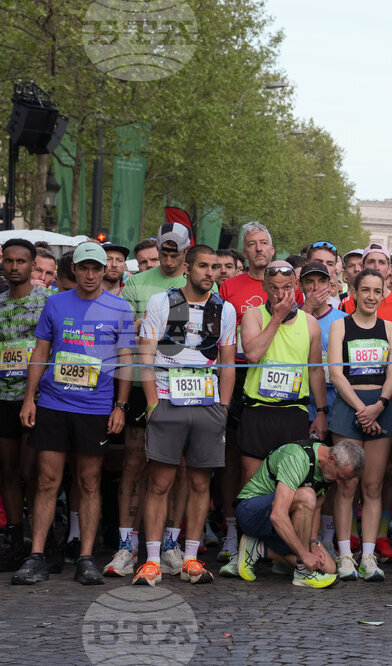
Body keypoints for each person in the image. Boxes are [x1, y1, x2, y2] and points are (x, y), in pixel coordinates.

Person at [12, 243, 134, 585]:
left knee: (89, 481)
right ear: (75, 271)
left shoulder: (119, 308)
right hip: (53, 403)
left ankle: (85, 558)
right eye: (85, 269)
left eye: (97, 268)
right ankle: (36, 555)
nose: (91, 275)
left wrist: (121, 405)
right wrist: (29, 399)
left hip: (95, 408)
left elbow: (127, 360)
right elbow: (41, 350)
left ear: (104, 270)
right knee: (47, 480)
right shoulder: (55, 302)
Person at [131, 245, 237, 587]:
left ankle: (190, 557)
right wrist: (150, 403)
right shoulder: (161, 302)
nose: (210, 272)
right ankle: (150, 560)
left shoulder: (226, 309)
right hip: (166, 400)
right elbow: (145, 357)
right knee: (160, 483)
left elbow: (228, 363)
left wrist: (223, 405)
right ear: (187, 269)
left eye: (216, 267)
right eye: (204, 266)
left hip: (207, 405)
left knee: (199, 483)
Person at [105, 220, 192, 578]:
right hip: (144, 387)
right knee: (134, 463)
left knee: (180, 469)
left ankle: (170, 542)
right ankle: (127, 543)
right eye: (164, 251)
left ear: (186, 250)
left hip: (184, 386)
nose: (168, 259)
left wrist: (151, 327)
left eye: (175, 252)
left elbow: (197, 338)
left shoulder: (198, 283)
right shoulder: (138, 282)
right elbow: (127, 336)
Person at [328, 268, 392, 582]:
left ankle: (368, 555)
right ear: (354, 292)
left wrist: (380, 405)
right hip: (350, 409)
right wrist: (362, 410)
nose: (371, 296)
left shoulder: (390, 328)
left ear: (383, 293)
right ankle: (345, 554)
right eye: (365, 290)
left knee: (373, 486)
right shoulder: (339, 326)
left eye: (376, 290)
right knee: (347, 485)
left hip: (381, 408)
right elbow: (335, 372)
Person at [218, 221, 279, 562]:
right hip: (238, 374)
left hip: (276, 376)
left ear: (272, 249)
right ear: (244, 252)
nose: (258, 249)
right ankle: (232, 530)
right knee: (232, 461)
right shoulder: (229, 287)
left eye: (263, 243)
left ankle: (267, 532)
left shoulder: (287, 285)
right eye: (252, 244)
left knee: (271, 460)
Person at [234, 439, 364, 588]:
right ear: (331, 459)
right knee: (307, 496)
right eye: (340, 477)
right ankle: (302, 572)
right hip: (251, 512)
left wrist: (313, 543)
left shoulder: (328, 469)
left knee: (328, 568)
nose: (339, 483)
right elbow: (278, 515)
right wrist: (303, 554)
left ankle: (260, 548)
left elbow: (316, 509)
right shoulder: (297, 457)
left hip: (279, 519)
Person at [238, 261, 327, 480]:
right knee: (253, 484)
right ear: (264, 287)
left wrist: (322, 412)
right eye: (274, 287)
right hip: (258, 410)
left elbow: (315, 371)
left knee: (290, 485)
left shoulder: (310, 323)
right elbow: (252, 355)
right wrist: (277, 318)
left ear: (296, 285)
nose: (280, 294)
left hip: (293, 413)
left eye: (286, 287)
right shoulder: (254, 315)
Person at [0, 240, 50, 570]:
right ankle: (16, 541)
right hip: (3, 397)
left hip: (39, 398)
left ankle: (42, 542)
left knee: (34, 474)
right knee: (8, 471)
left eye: (21, 261)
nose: (14, 266)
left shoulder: (49, 302)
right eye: (9, 261)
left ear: (33, 266)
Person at [297, 261, 348, 560]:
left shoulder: (342, 320)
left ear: (331, 285)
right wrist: (304, 311)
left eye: (321, 282)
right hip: (299, 403)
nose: (316, 289)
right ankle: (304, 537)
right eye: (309, 283)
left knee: (332, 473)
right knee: (305, 476)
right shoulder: (292, 318)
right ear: (301, 287)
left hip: (334, 404)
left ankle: (326, 536)